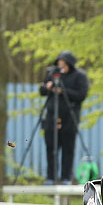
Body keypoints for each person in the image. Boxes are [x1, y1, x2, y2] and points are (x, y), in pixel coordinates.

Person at [39, 51, 88, 184]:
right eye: (60, 64)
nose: (62, 67)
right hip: (51, 117)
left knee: (68, 148)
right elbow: (42, 91)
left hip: (69, 118)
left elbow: (81, 95)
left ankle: (66, 177)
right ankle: (50, 177)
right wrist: (47, 87)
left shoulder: (79, 76)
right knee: (50, 147)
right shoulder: (52, 74)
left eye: (64, 64)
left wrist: (61, 90)